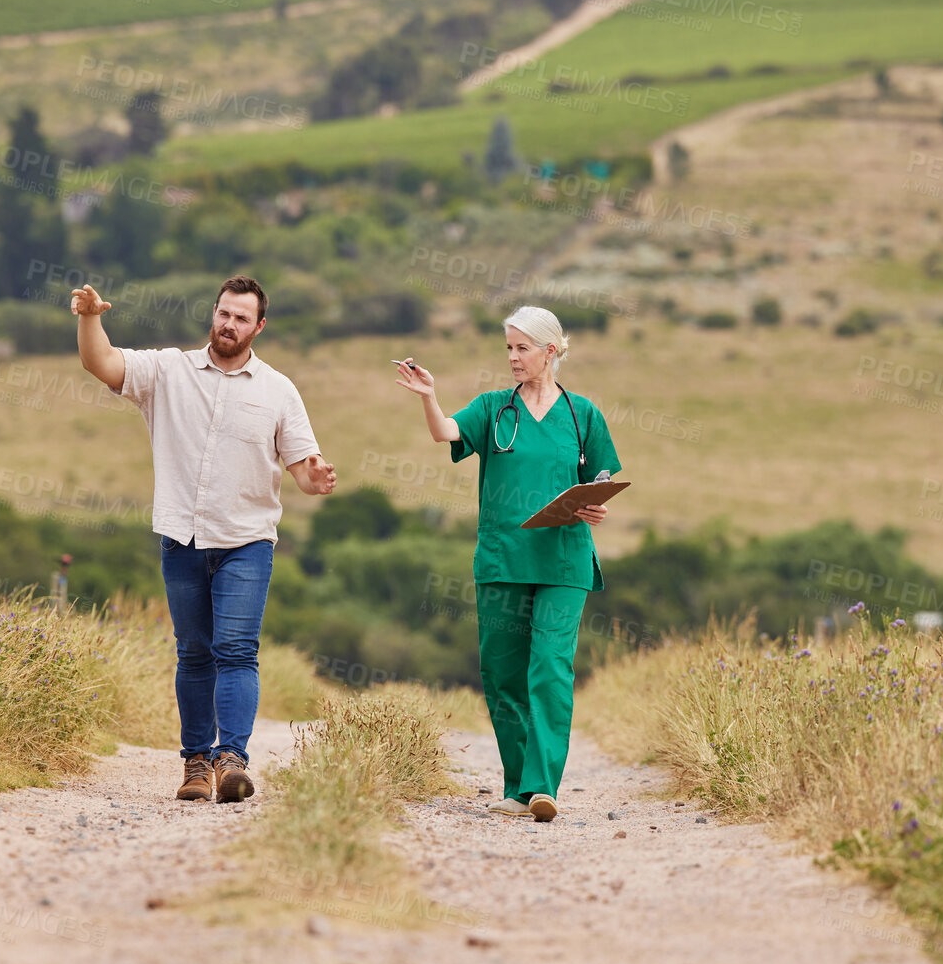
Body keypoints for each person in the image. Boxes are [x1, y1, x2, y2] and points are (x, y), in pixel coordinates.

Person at [74, 275, 336, 803]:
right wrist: (89, 317)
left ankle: (232, 761)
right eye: (223, 313)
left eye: (241, 318)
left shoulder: (279, 390)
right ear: (212, 315)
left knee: (236, 650)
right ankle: (195, 764)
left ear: (258, 326)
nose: (229, 324)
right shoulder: (168, 370)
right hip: (182, 536)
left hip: (246, 541)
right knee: (194, 653)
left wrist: (316, 479)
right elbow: (100, 363)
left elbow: (303, 470)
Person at [394, 306, 620, 823]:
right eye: (509, 348)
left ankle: (542, 788)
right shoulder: (494, 408)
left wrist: (597, 505)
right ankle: (517, 788)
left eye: (522, 348)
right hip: (502, 559)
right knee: (502, 674)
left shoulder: (584, 414)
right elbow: (446, 433)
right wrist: (429, 397)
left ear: (551, 351)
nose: (514, 358)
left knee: (549, 670)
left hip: (563, 561)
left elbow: (601, 477)